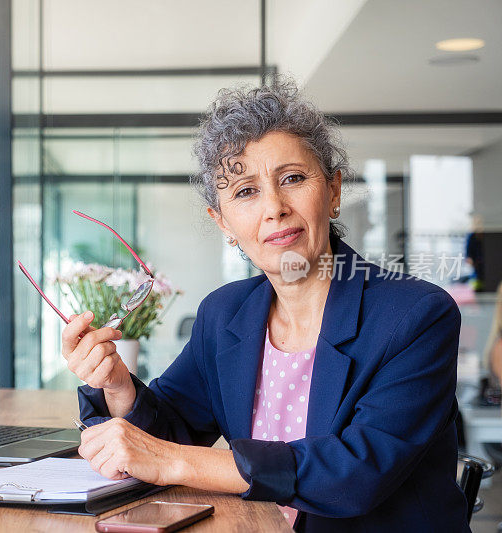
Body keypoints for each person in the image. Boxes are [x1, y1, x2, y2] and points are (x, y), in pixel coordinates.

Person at [60, 80, 468, 531]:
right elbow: (165, 434)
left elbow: (356, 473)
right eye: (245, 191)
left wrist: (177, 462)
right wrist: (117, 384)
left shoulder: (416, 315)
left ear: (333, 192)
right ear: (223, 222)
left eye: (293, 178)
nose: (274, 207)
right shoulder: (225, 314)